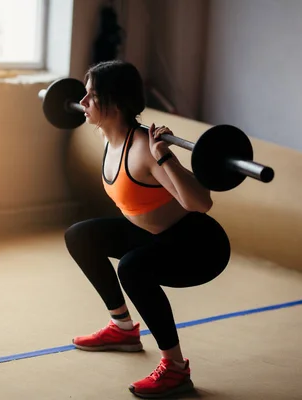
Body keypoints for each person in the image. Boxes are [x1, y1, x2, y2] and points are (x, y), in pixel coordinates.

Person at [64, 59, 232, 399]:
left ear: (115, 102)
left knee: (132, 268)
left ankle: (175, 368)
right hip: (152, 233)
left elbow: (200, 204)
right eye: (84, 95)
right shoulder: (107, 137)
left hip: (197, 245)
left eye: (91, 97)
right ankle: (123, 328)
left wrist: (165, 157)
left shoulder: (144, 149)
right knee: (80, 235)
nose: (82, 103)